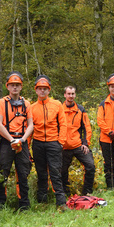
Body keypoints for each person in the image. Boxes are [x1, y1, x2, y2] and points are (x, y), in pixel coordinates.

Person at [0, 72, 34, 210]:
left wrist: (22, 140)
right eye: (12, 85)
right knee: (2, 173)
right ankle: (0, 204)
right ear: (8, 87)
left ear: (21, 87)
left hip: (22, 142)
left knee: (23, 173)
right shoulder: (1, 103)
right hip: (6, 142)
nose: (15, 88)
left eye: (17, 85)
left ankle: (24, 204)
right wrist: (11, 140)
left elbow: (31, 125)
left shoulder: (26, 103)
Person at [29, 75, 68, 208]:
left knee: (55, 172)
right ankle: (42, 201)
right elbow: (30, 128)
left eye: (45, 89)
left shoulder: (57, 104)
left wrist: (60, 142)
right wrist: (28, 145)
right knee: (41, 173)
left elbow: (63, 124)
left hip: (53, 142)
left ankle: (61, 202)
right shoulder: (32, 108)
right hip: (38, 143)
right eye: (40, 89)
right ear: (36, 90)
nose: (42, 91)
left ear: (49, 90)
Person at [61, 86, 95, 196]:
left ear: (75, 95)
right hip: (64, 146)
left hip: (78, 145)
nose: (70, 96)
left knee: (90, 166)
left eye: (72, 94)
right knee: (61, 171)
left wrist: (86, 144)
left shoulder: (81, 109)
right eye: (68, 94)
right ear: (65, 95)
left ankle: (87, 192)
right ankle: (65, 193)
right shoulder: (59, 109)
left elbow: (87, 128)